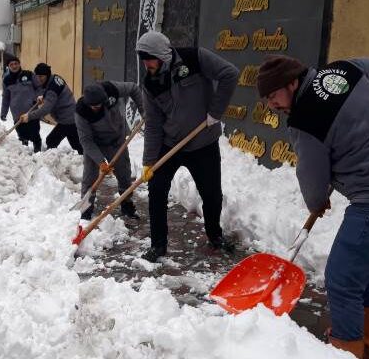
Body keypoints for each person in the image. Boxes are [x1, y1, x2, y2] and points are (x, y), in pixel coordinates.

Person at [257, 55, 369, 358]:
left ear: (292, 83)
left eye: (273, 96)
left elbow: (312, 182)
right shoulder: (342, 71)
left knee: (341, 277)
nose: (271, 104)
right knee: (362, 264)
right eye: (267, 99)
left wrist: (318, 201)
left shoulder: (305, 120)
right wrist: (367, 110)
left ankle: (347, 350)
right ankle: (366, 340)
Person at [136, 31, 240, 263]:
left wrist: (215, 111)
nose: (146, 64)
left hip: (203, 142)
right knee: (156, 191)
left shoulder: (195, 59)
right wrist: (148, 162)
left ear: (162, 54)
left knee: (212, 194)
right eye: (142, 59)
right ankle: (158, 245)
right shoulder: (150, 83)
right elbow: (153, 125)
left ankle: (215, 236)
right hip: (169, 144)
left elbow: (229, 74)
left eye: (149, 58)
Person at [75, 81, 145, 221]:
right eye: (93, 106)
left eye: (98, 105)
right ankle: (86, 210)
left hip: (116, 140)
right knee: (89, 178)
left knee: (124, 173)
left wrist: (143, 110)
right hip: (95, 143)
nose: (96, 108)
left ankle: (127, 204)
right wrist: (101, 161)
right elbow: (86, 140)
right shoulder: (82, 112)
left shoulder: (112, 89)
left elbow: (133, 88)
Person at [21, 63, 83, 155]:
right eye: (37, 76)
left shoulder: (52, 91)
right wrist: (44, 96)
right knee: (76, 143)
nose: (39, 79)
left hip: (67, 119)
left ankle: (50, 160)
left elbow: (45, 109)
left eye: (41, 76)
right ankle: (84, 158)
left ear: (47, 75)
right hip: (71, 115)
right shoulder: (55, 78)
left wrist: (28, 116)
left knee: (51, 140)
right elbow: (52, 91)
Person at [0, 54, 41, 152]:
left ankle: (38, 149)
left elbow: (39, 87)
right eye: (11, 64)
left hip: (32, 111)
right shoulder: (6, 80)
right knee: (22, 134)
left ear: (19, 64)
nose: (14, 66)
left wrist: (37, 98)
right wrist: (3, 113)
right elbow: (6, 98)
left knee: (34, 132)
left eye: (16, 63)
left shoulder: (29, 75)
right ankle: (24, 151)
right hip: (17, 113)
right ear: (8, 66)